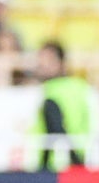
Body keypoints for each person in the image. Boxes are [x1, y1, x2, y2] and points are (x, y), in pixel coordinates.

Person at [33, 41, 91, 170]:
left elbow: (57, 130)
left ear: (61, 63)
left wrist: (42, 168)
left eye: (48, 60)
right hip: (77, 163)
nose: (42, 64)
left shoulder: (53, 94)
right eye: (40, 59)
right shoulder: (80, 87)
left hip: (58, 167)